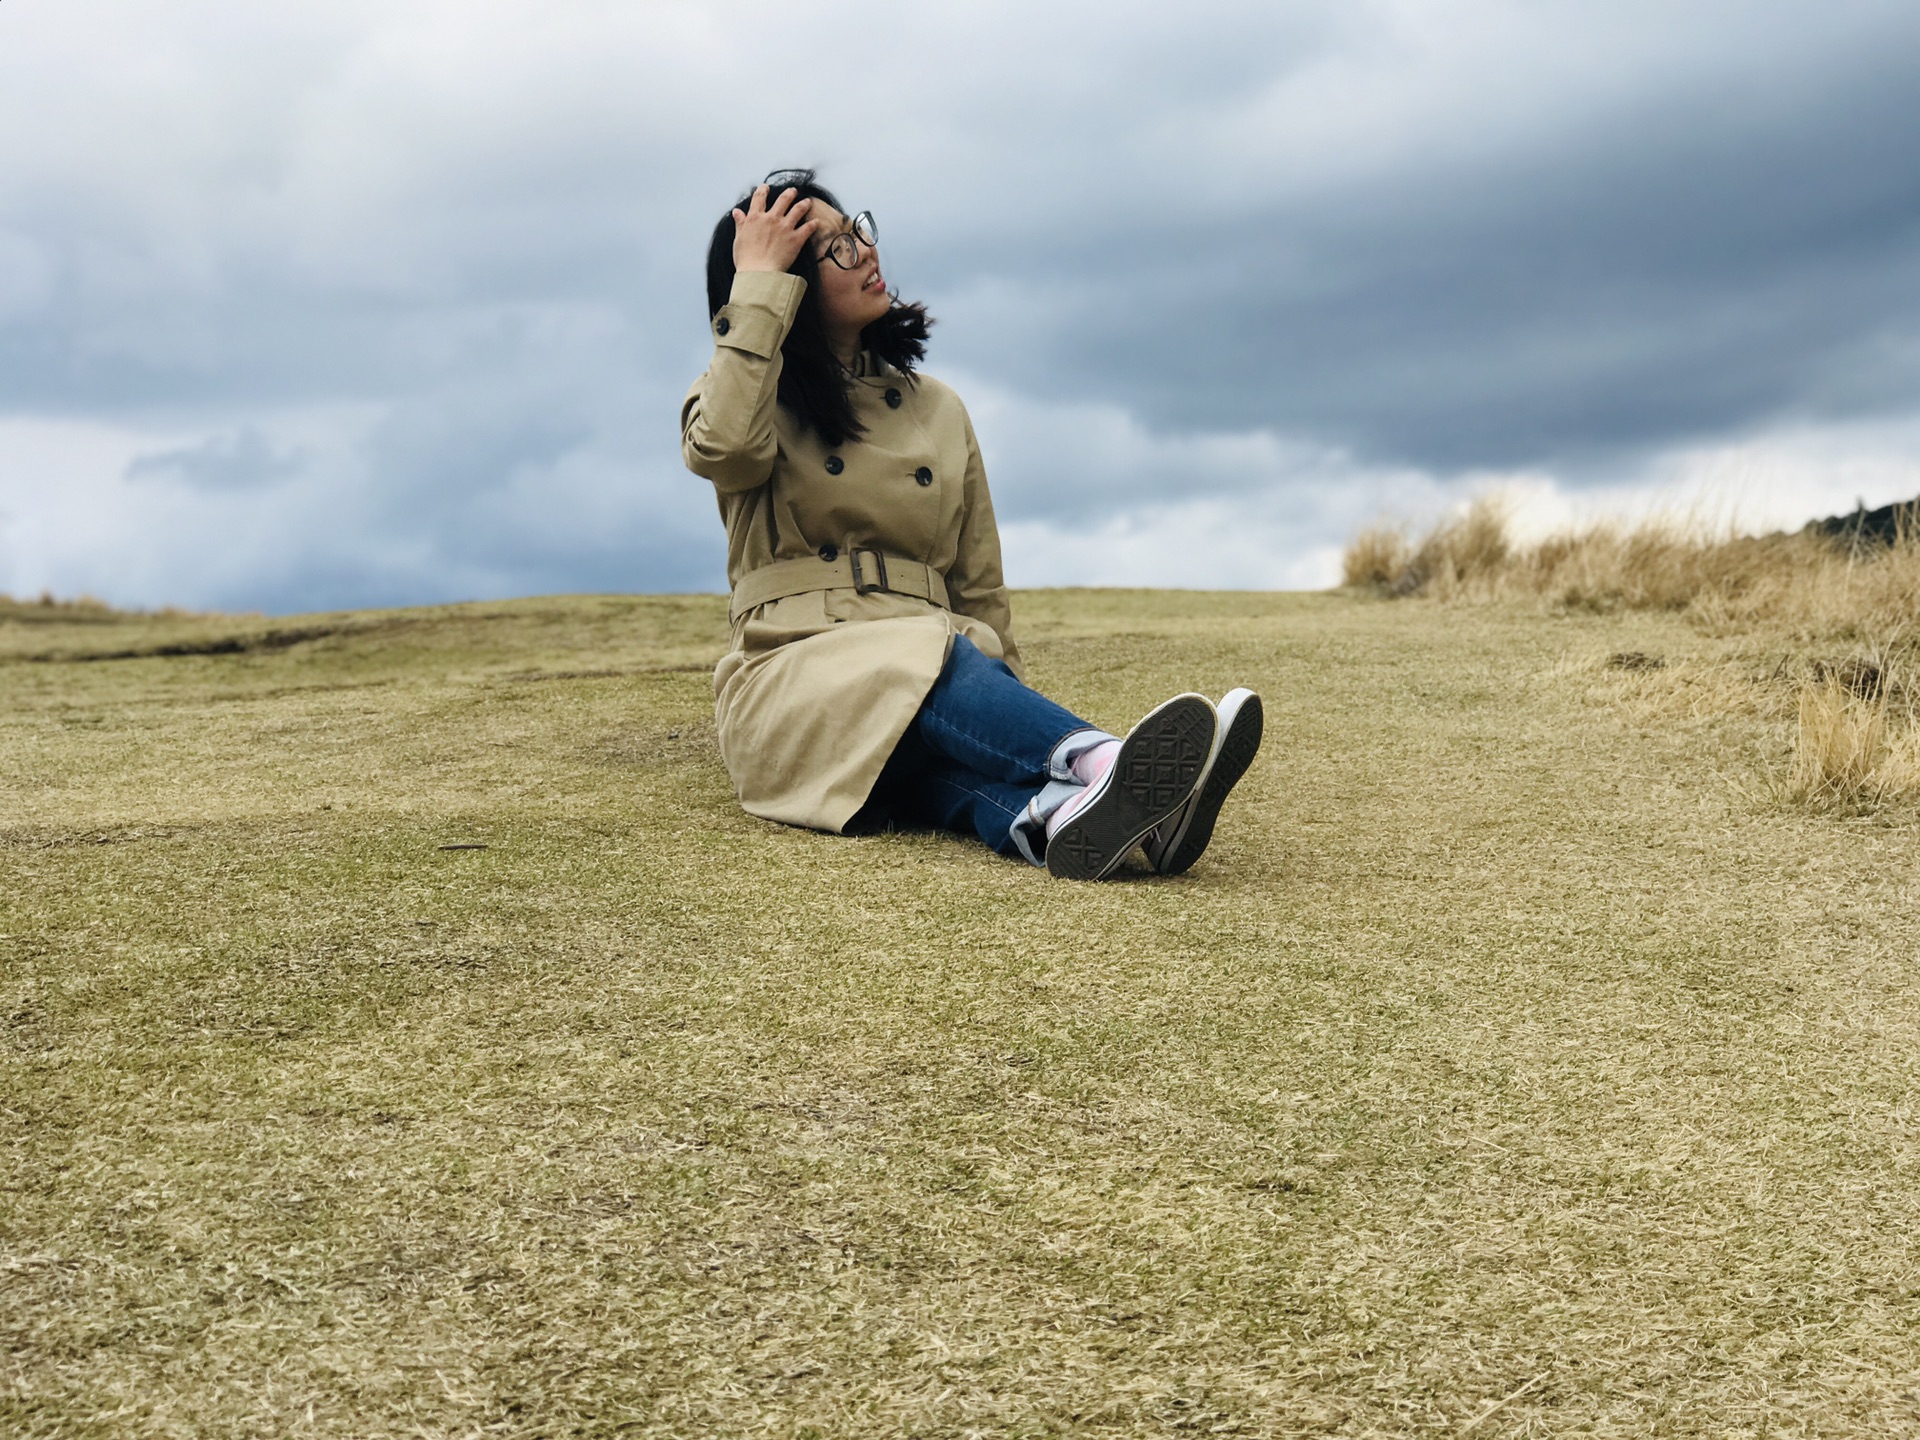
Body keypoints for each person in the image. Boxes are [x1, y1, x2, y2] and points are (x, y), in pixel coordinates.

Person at [681, 169, 1263, 880]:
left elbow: (977, 579)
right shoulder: (737, 394)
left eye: (858, 229)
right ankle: (1105, 759)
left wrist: (1002, 707)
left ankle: (1069, 820)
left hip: (928, 686)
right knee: (926, 658)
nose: (864, 251)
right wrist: (757, 284)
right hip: (795, 685)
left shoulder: (937, 408)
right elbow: (729, 450)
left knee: (942, 759)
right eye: (833, 249)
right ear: (787, 287)